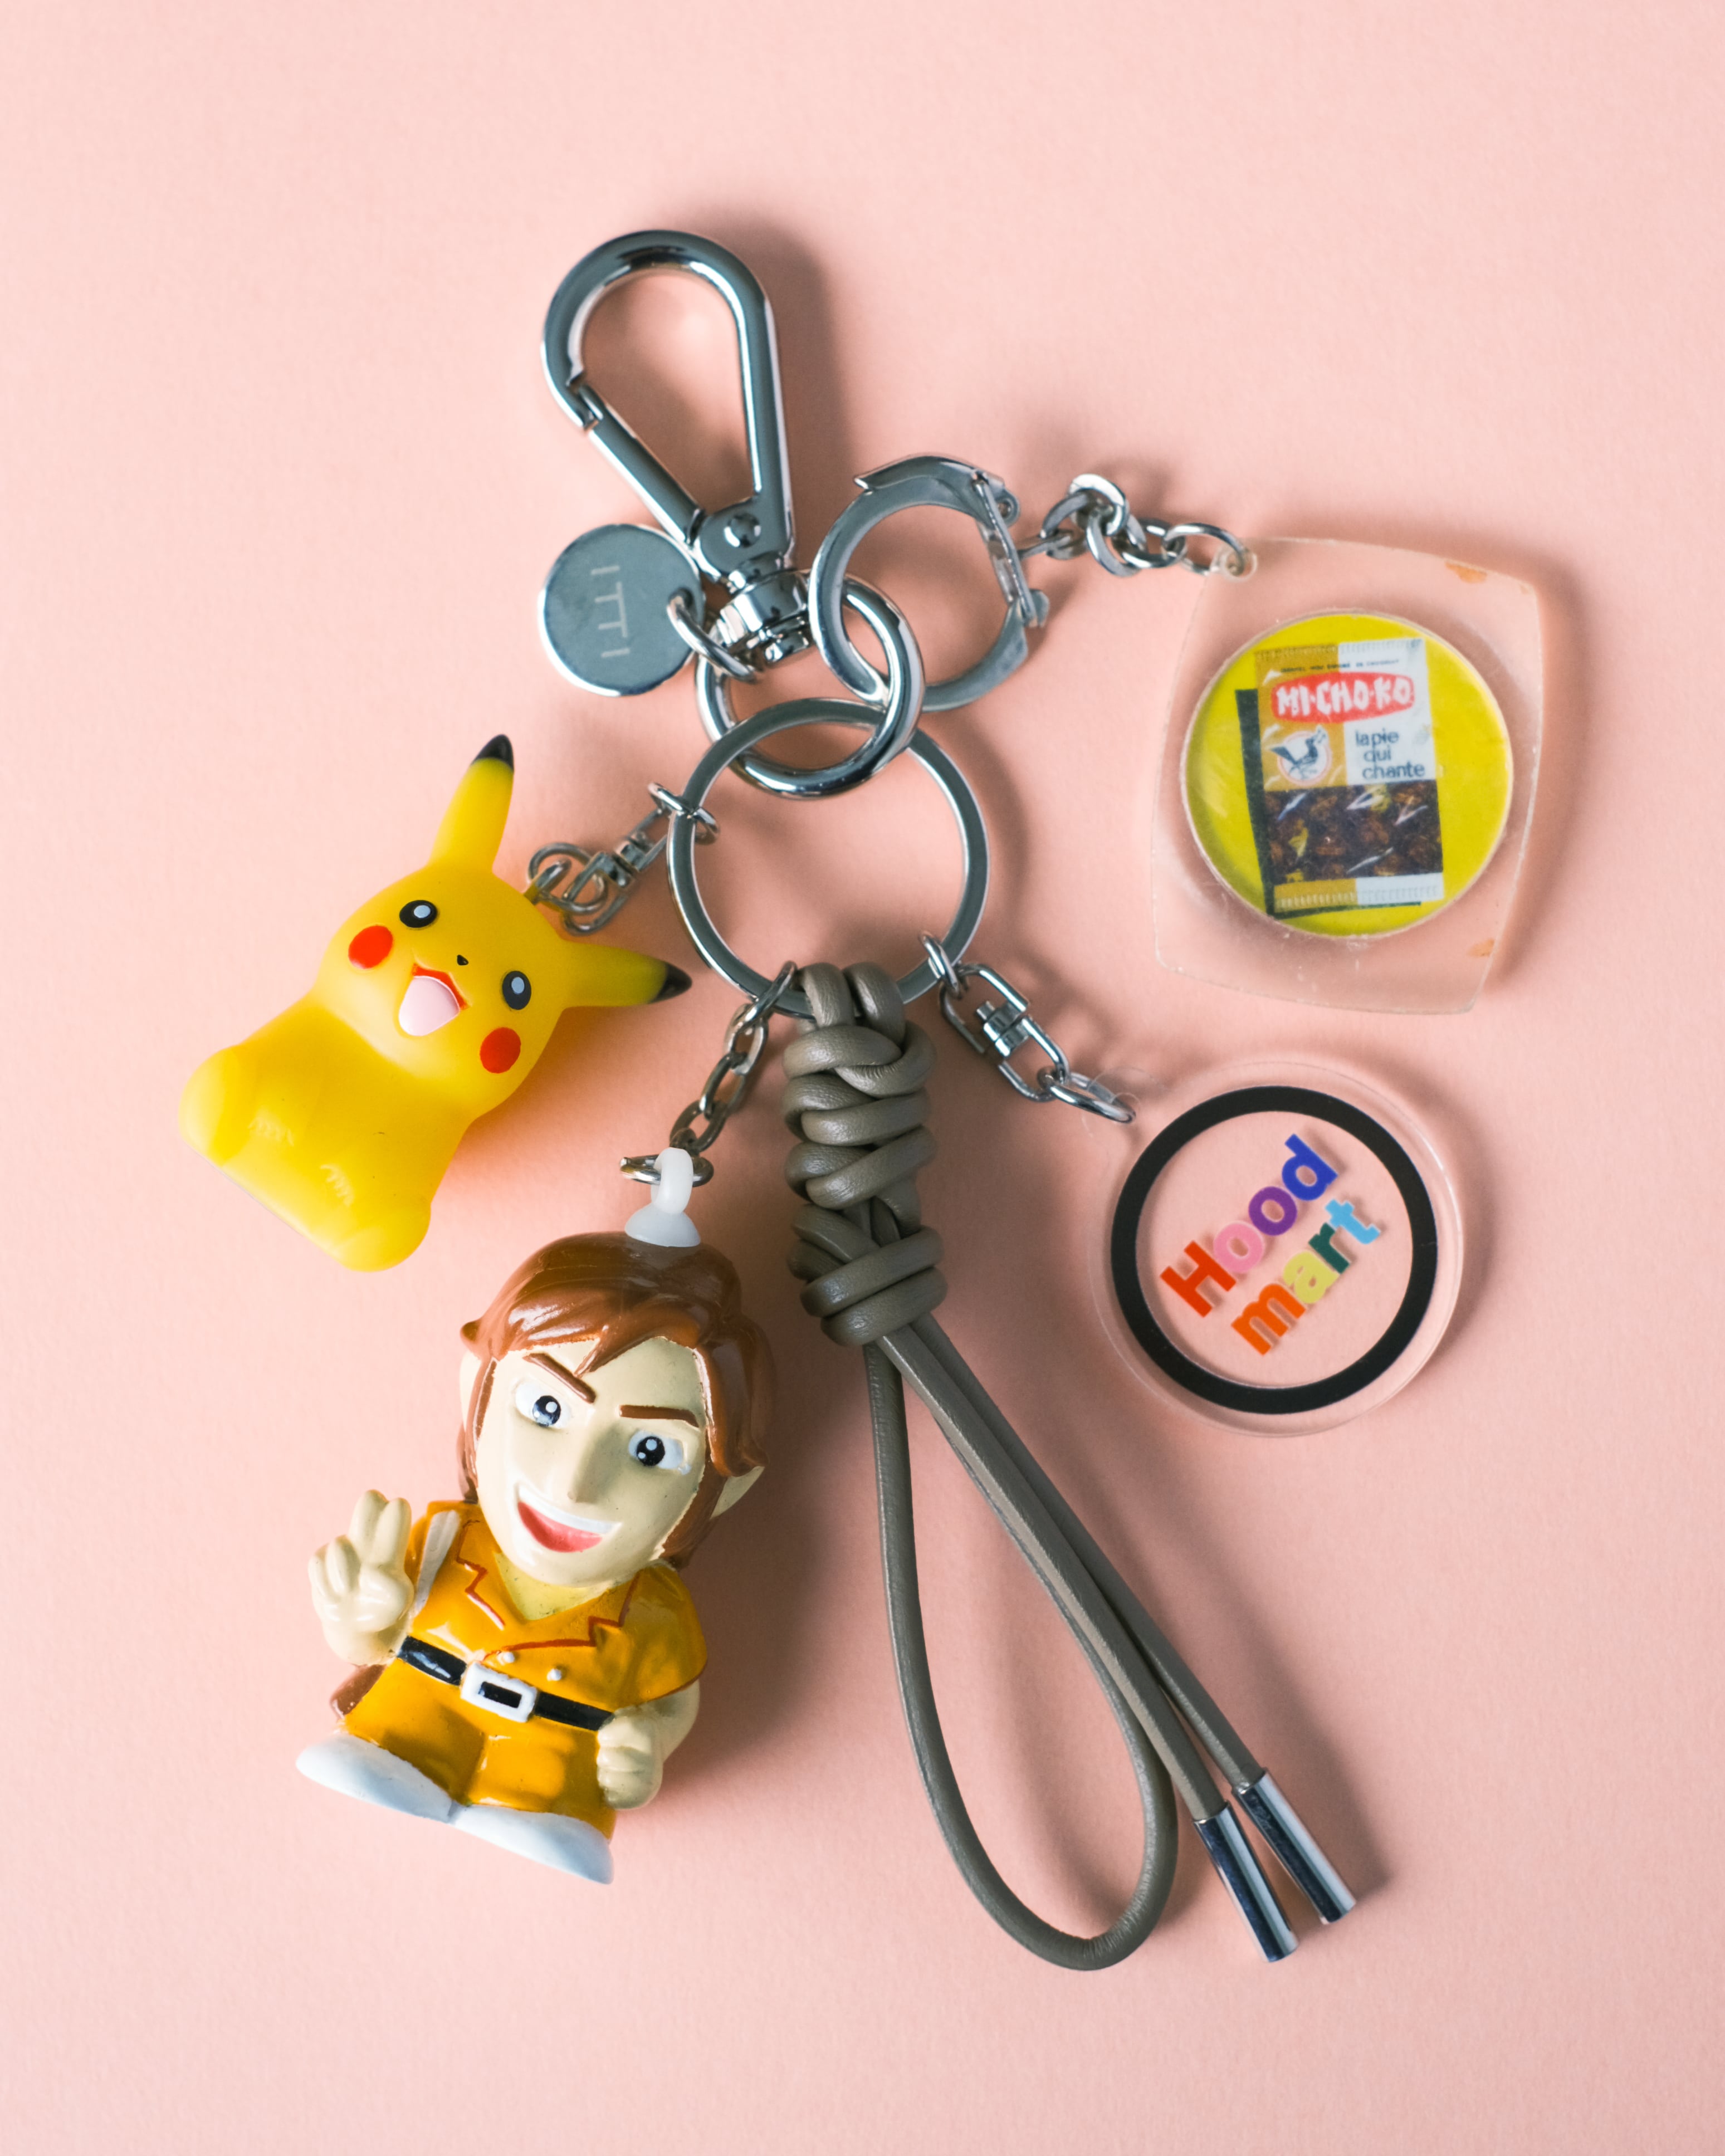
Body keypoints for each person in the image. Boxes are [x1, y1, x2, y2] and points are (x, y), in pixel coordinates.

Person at [296, 1225, 771, 1880]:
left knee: (540, 1806)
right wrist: (359, 1622)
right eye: (546, 1407)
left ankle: (536, 1812)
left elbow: (670, 1702)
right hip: (411, 1716)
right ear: (477, 1390)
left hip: (552, 1761)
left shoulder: (653, 1611)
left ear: (726, 1489)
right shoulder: (443, 1539)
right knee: (387, 1754)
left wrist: (648, 1746)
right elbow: (373, 1645)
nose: (574, 1483)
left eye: (650, 1450)